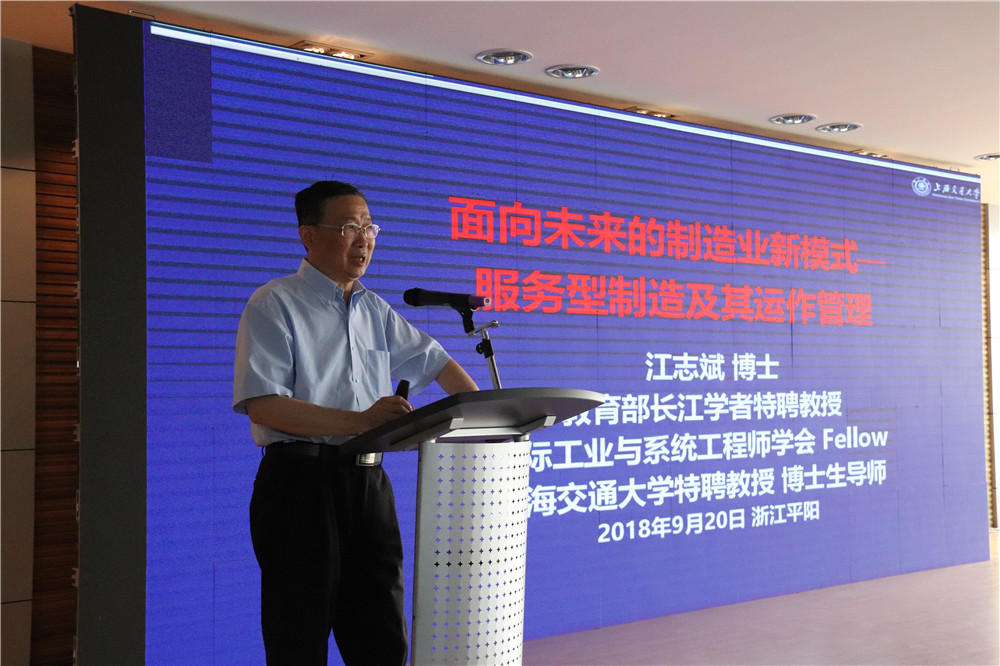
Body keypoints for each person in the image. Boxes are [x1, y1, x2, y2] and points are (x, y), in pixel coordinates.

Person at [233, 180, 479, 665]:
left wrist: (483, 416)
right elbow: (264, 405)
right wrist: (362, 421)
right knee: (298, 641)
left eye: (369, 227)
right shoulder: (274, 303)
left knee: (382, 640)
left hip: (368, 485)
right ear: (308, 235)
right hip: (300, 486)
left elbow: (436, 362)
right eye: (349, 227)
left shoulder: (374, 309)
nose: (364, 238)